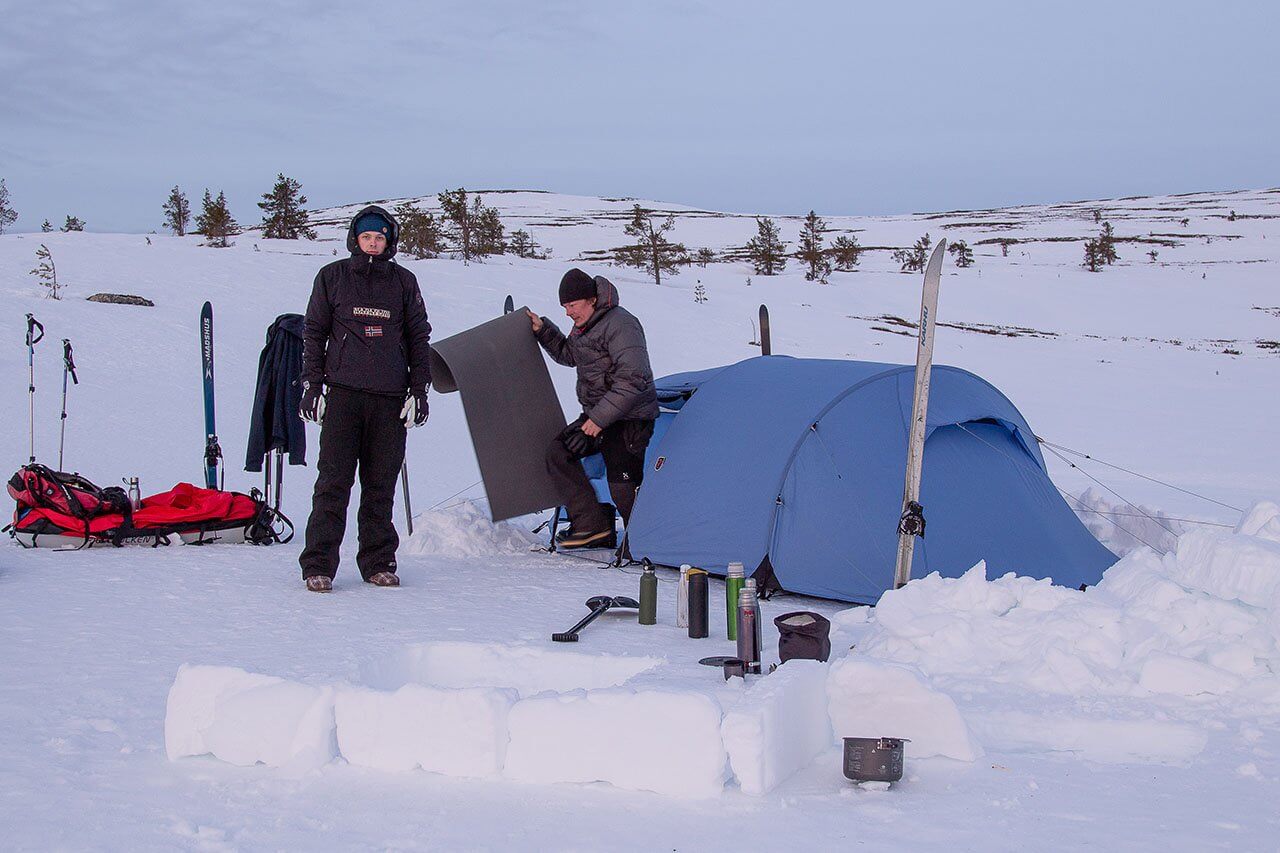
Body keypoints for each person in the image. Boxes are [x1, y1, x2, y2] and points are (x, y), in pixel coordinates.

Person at [298, 205, 432, 592]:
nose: (373, 245)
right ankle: (318, 564)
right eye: (366, 237)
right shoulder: (333, 277)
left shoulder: (404, 282)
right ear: (355, 239)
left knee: (380, 485)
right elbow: (314, 331)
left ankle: (378, 561)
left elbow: (418, 337)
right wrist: (312, 383)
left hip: (390, 399)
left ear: (389, 241)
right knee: (333, 482)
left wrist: (419, 390)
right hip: (343, 395)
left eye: (380, 238)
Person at [528, 268, 658, 548]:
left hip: (630, 419)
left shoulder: (621, 324)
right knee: (559, 452)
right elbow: (569, 354)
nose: (568, 313)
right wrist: (542, 330)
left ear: (591, 299)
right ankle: (593, 526)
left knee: (623, 486)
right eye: (564, 307)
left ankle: (643, 543)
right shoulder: (584, 326)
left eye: (572, 305)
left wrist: (598, 419)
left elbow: (634, 378)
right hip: (598, 416)